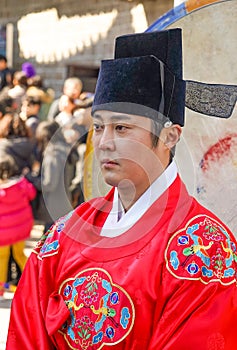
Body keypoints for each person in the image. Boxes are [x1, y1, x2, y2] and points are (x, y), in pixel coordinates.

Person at [6, 29, 237, 349]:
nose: (104, 143)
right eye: (99, 127)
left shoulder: (204, 249)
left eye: (122, 128)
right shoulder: (70, 230)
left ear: (170, 136)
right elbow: (27, 323)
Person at [0, 154, 36, 286]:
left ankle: (2, 288)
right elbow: (32, 194)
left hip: (3, 233)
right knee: (20, 255)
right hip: (20, 229)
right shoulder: (21, 184)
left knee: (2, 259)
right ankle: (34, 279)